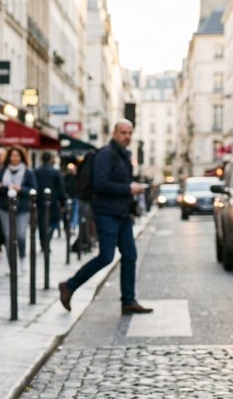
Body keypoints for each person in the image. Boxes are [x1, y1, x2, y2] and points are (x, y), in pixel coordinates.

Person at [59, 121, 152, 315]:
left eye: (129, 133)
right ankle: (69, 286)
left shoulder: (124, 155)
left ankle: (128, 300)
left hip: (122, 213)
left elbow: (118, 181)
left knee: (130, 255)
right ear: (114, 133)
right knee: (106, 257)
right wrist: (128, 189)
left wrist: (131, 188)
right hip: (106, 213)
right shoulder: (105, 154)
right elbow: (101, 184)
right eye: (123, 132)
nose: (127, 136)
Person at [0, 145, 37, 274]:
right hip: (5, 207)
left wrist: (20, 189)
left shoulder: (28, 172)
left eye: (17, 155)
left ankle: (22, 258)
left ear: (22, 157)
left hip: (22, 208)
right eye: (12, 155)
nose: (14, 158)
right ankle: (12, 265)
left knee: (21, 235)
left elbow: (34, 190)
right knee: (8, 237)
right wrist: (0, 186)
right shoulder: (2, 171)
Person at [34, 151, 66, 243]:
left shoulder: (37, 171)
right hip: (53, 201)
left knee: (42, 222)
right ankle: (48, 239)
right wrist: (63, 202)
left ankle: (43, 242)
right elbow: (61, 187)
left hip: (40, 200)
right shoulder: (55, 172)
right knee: (54, 220)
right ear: (51, 159)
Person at [64, 163, 79, 234]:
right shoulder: (75, 178)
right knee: (74, 213)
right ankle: (72, 227)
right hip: (74, 196)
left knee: (68, 213)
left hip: (69, 196)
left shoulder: (65, 178)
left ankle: (68, 227)